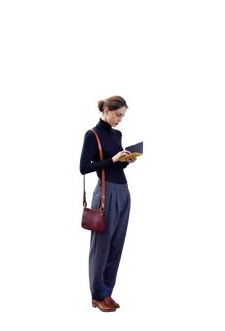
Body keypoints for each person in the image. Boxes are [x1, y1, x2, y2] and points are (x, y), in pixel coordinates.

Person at [79, 95, 136, 312]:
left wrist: (125, 161)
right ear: (106, 111)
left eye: (122, 116)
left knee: (116, 246)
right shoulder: (92, 134)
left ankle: (107, 292)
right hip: (105, 193)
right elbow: (84, 167)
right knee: (101, 247)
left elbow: (115, 166)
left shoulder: (117, 134)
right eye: (117, 115)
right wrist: (112, 160)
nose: (120, 119)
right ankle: (97, 295)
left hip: (123, 192)